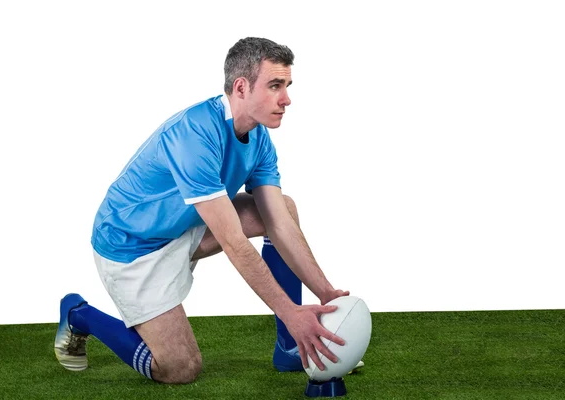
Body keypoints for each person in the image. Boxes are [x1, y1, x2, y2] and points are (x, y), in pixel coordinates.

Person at [54, 37, 362, 384]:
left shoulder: (259, 138)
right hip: (131, 247)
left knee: (283, 208)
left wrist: (326, 293)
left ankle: (291, 348)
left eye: (287, 86)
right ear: (242, 87)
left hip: (186, 225)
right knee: (179, 369)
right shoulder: (195, 134)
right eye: (275, 86)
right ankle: (80, 314)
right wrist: (290, 311)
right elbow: (233, 242)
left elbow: (279, 222)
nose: (286, 99)